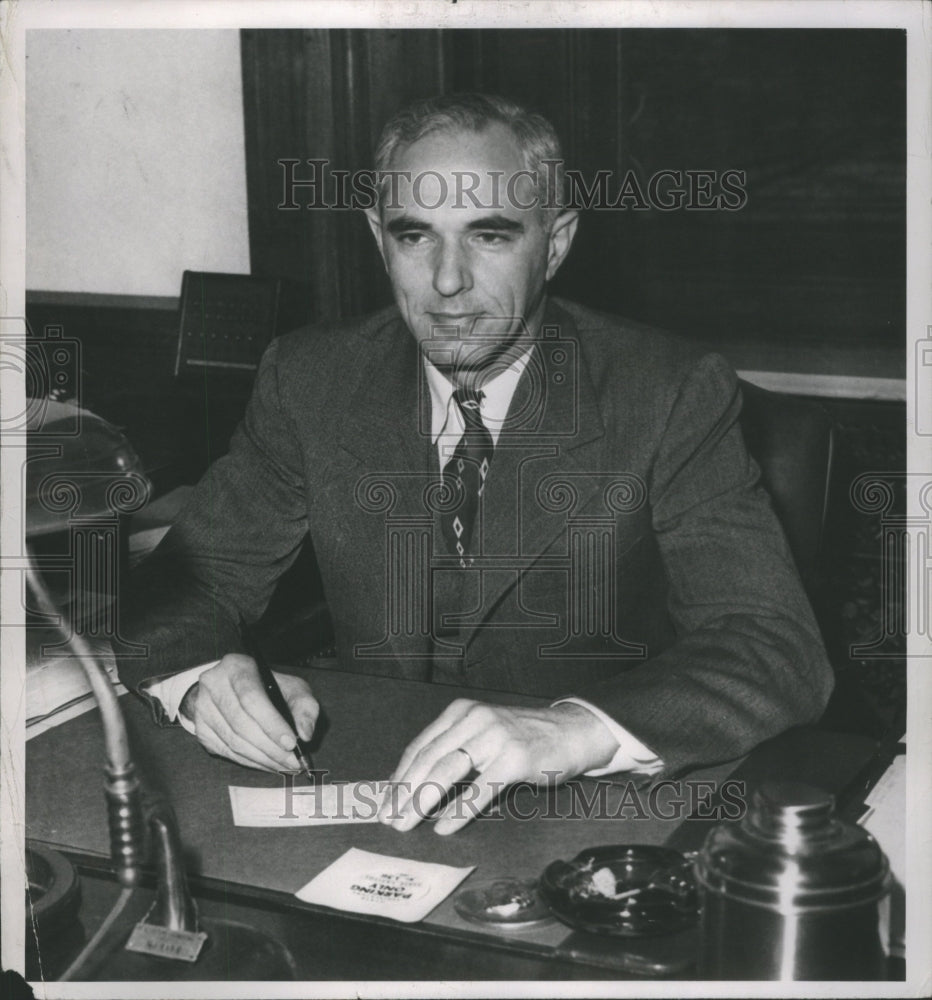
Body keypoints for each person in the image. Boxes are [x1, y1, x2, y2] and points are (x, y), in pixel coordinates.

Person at [121, 93, 833, 835]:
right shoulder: (312, 378)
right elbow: (181, 587)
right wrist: (201, 679)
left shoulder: (669, 392)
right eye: (415, 236)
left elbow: (775, 646)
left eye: (489, 236)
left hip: (595, 814)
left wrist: (571, 731)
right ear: (377, 237)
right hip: (378, 795)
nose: (448, 280)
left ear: (554, 243)